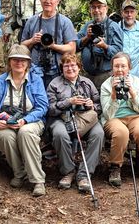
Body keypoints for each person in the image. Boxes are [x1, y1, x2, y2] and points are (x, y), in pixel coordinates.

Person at [0, 44, 48, 197]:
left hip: (31, 120)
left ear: (28, 63)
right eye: (15, 60)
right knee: (4, 136)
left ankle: (37, 180)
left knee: (25, 133)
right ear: (9, 62)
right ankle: (19, 173)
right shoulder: (1, 81)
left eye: (23, 60)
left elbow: (42, 107)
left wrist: (25, 121)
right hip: (7, 122)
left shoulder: (35, 80)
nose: (19, 63)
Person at [47, 53, 104, 193]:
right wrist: (68, 102)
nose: (70, 68)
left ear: (79, 67)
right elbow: (50, 109)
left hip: (86, 119)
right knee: (60, 134)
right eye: (66, 65)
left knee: (99, 133)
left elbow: (99, 106)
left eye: (73, 65)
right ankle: (68, 171)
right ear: (62, 68)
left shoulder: (87, 82)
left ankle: (84, 174)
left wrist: (92, 105)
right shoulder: (54, 84)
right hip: (61, 118)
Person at [100, 52, 139, 186]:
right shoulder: (106, 85)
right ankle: (115, 167)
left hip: (135, 116)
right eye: (116, 66)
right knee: (121, 132)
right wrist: (114, 95)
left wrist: (132, 92)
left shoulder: (136, 81)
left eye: (123, 66)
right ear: (112, 68)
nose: (120, 70)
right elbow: (107, 114)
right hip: (114, 118)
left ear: (129, 67)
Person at [21, 0, 77, 88]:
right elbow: (22, 47)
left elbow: (72, 49)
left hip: (57, 70)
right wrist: (32, 40)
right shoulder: (32, 21)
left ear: (57, 1)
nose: (48, 1)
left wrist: (52, 46)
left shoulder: (64, 22)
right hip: (35, 68)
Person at [77, 0, 123, 89]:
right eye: (93, 7)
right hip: (88, 76)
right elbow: (75, 45)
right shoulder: (87, 26)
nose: (96, 10)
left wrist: (105, 46)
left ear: (106, 8)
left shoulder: (114, 27)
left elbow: (119, 51)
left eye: (99, 7)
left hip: (106, 75)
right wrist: (87, 37)